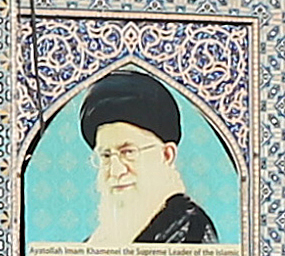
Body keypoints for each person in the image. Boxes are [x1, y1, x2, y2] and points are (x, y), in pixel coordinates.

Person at [80, 69, 222, 246]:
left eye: (128, 152)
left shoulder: (191, 231)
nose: (115, 171)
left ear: (166, 155)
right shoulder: (97, 241)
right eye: (106, 155)